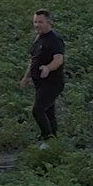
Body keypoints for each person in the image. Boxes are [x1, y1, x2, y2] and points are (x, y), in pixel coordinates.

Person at [19, 9, 65, 146]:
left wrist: (48, 68)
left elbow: (59, 59)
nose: (37, 25)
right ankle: (54, 138)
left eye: (40, 22)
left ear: (49, 22)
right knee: (49, 111)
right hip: (40, 83)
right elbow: (34, 60)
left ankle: (47, 138)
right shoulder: (38, 38)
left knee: (38, 110)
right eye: (35, 22)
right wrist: (26, 77)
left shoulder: (55, 39)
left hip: (52, 83)